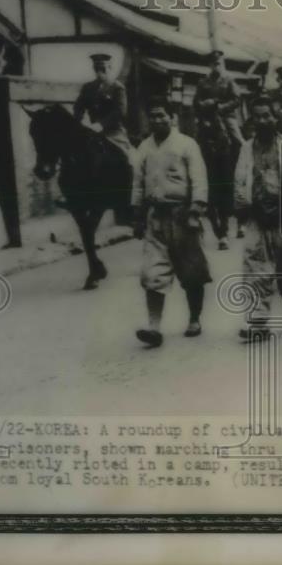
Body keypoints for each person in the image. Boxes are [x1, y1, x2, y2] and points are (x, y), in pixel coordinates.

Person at [131, 97, 212, 348]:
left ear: (172, 117)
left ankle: (194, 319)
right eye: (152, 116)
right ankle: (154, 327)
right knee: (152, 272)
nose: (156, 120)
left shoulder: (187, 145)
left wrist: (195, 210)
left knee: (191, 271)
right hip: (156, 216)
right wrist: (137, 214)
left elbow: (199, 179)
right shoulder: (144, 147)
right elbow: (138, 182)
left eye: (161, 115)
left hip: (182, 214)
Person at [234, 98, 282, 339]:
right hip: (258, 216)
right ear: (252, 120)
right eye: (257, 116)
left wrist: (281, 203)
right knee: (255, 267)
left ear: (275, 117)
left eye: (267, 115)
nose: (263, 120)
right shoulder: (247, 148)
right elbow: (240, 181)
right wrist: (248, 205)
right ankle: (258, 322)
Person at [74, 53, 132, 158]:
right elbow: (78, 107)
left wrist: (101, 124)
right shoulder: (88, 87)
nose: (100, 72)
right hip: (92, 131)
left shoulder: (117, 88)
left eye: (103, 69)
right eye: (97, 69)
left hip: (114, 132)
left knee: (126, 157)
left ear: (110, 68)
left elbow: (120, 111)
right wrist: (79, 122)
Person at [196, 52, 243, 146]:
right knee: (197, 142)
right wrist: (202, 103)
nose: (217, 66)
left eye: (219, 64)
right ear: (210, 65)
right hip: (208, 116)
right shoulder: (203, 82)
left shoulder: (229, 80)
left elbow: (237, 99)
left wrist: (222, 107)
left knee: (238, 141)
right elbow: (196, 100)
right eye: (214, 64)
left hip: (225, 115)